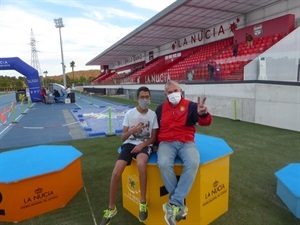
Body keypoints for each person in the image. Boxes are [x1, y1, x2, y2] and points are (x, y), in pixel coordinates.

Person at [155, 80, 212, 225]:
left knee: (193, 162)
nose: (173, 94)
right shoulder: (160, 109)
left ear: (181, 91)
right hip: (166, 143)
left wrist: (203, 114)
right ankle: (178, 204)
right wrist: (155, 144)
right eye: (170, 92)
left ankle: (173, 203)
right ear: (165, 94)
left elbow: (206, 123)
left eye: (176, 91)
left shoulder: (192, 106)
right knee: (163, 163)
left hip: (186, 142)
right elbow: (156, 129)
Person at [100, 86, 159, 225]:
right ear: (137, 98)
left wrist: (142, 145)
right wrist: (134, 129)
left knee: (140, 164)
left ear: (150, 98)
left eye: (147, 97)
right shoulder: (129, 114)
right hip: (129, 143)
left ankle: (142, 202)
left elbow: (153, 138)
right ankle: (111, 208)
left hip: (145, 145)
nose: (145, 100)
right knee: (116, 173)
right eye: (142, 97)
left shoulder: (153, 115)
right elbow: (123, 137)